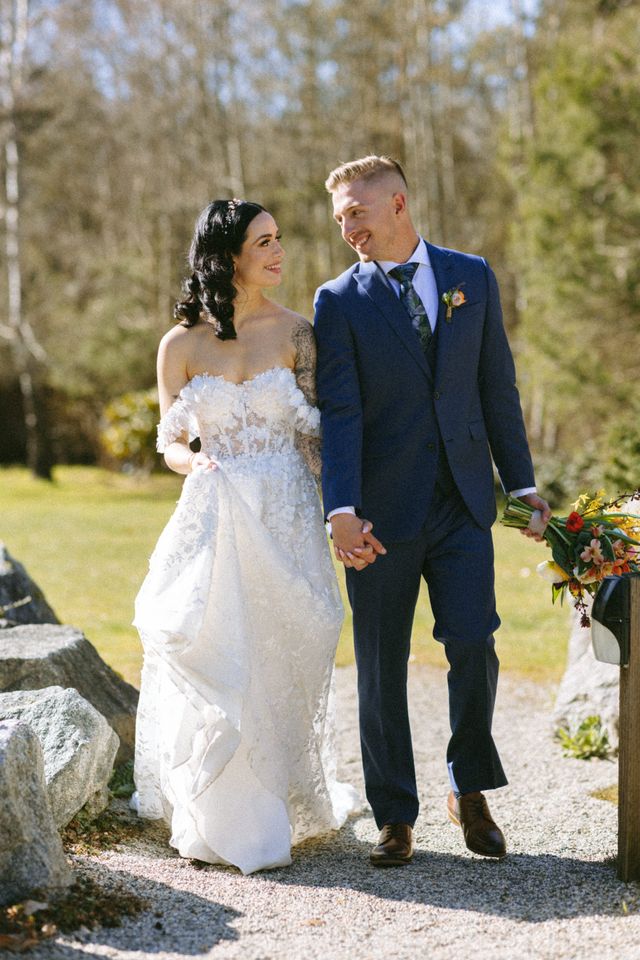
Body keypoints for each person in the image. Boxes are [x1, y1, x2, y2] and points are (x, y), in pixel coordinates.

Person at [314, 155, 551, 867]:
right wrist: (343, 509)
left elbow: (497, 386)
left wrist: (523, 482)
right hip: (381, 516)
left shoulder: (470, 278)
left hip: (463, 500)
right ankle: (395, 815)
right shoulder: (339, 301)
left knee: (474, 641)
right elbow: (342, 412)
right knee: (381, 664)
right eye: (339, 218)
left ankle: (469, 787)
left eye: (357, 210)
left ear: (398, 204)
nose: (347, 226)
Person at [132, 198, 359, 875]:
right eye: (264, 242)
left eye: (278, 239)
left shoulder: (298, 333)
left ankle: (279, 799)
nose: (278, 251)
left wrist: (344, 507)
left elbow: (321, 435)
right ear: (229, 255)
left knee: (286, 648)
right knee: (210, 644)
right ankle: (216, 814)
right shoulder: (179, 344)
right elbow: (168, 441)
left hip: (285, 514)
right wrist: (192, 460)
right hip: (214, 510)